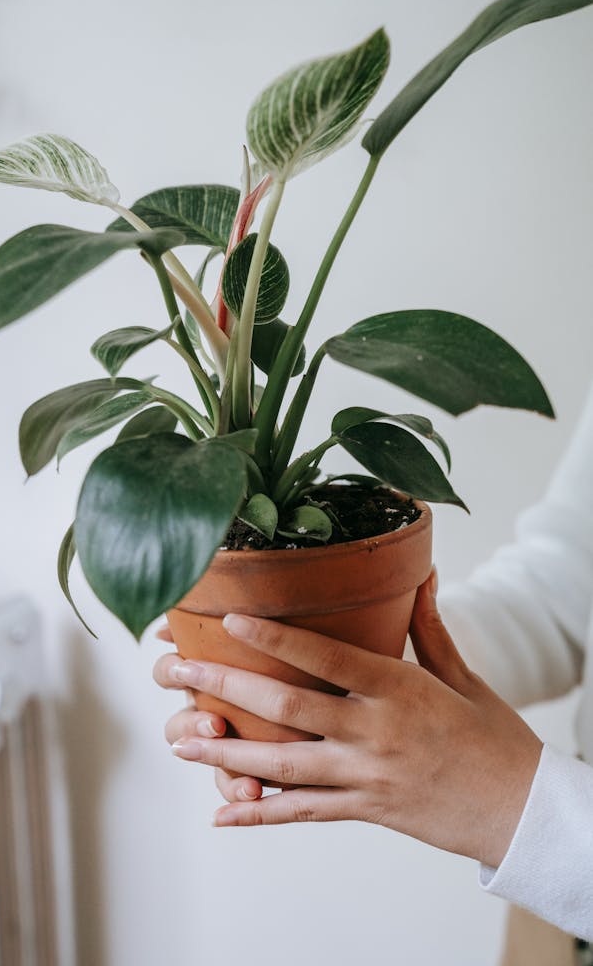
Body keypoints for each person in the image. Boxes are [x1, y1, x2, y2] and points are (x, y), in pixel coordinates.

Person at [153, 382, 593, 947]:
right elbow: (564, 593)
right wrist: (355, 669)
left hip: (548, 856)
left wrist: (512, 806)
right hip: (553, 911)